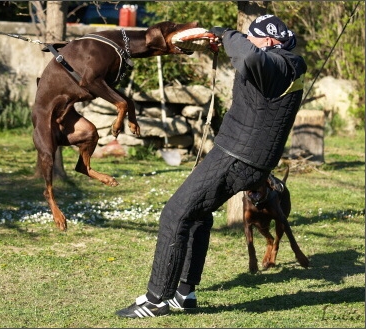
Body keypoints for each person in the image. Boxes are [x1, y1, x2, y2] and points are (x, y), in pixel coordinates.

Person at [116, 14, 307, 318]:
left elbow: (247, 57)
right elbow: (250, 60)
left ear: (269, 40)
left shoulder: (281, 64)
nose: (250, 43)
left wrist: (225, 33)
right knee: (197, 215)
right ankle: (184, 293)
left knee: (175, 214)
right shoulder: (285, 65)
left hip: (236, 156)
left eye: (253, 38)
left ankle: (156, 299)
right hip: (249, 159)